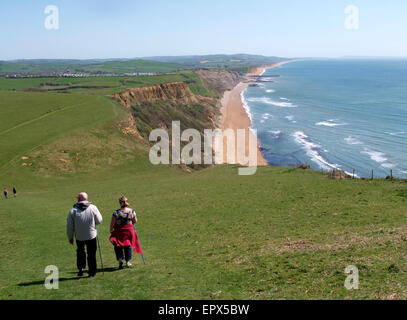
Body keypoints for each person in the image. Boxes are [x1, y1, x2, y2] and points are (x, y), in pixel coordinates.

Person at [67, 192, 103, 278]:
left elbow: (69, 226)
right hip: (91, 235)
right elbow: (99, 220)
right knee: (91, 254)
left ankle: (81, 268)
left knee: (80, 252)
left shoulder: (73, 210)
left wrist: (70, 237)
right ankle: (92, 272)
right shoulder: (93, 208)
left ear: (79, 199)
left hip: (79, 236)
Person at [109, 196, 142, 269]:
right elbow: (135, 221)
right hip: (129, 231)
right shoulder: (131, 211)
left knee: (118, 245)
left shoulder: (116, 212)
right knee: (128, 245)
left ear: (120, 203)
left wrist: (111, 230)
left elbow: (112, 223)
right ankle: (127, 261)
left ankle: (120, 259)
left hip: (119, 231)